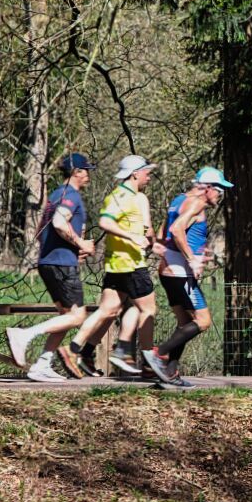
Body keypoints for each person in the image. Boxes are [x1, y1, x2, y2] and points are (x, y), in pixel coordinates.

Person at [6, 153, 97, 382]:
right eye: (86, 170)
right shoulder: (71, 195)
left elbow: (40, 231)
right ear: (77, 172)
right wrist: (80, 243)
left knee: (65, 316)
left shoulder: (56, 195)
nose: (88, 175)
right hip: (60, 264)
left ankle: (42, 365)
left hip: (50, 262)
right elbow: (58, 222)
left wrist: (73, 250)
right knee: (77, 316)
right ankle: (24, 335)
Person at [144, 167, 233, 388]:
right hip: (180, 273)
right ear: (208, 188)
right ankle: (159, 354)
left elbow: (164, 230)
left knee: (185, 323)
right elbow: (176, 230)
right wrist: (192, 259)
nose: (220, 196)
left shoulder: (179, 200)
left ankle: (170, 372)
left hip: (168, 271)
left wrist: (161, 246)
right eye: (219, 191)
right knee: (203, 321)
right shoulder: (197, 204)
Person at [68, 155, 159, 367]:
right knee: (148, 309)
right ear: (135, 173)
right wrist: (133, 237)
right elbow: (105, 221)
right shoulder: (120, 196)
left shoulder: (138, 197)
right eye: (147, 172)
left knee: (109, 309)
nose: (149, 177)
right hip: (129, 263)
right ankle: (147, 361)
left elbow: (146, 229)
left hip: (121, 264)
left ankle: (78, 350)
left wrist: (152, 241)